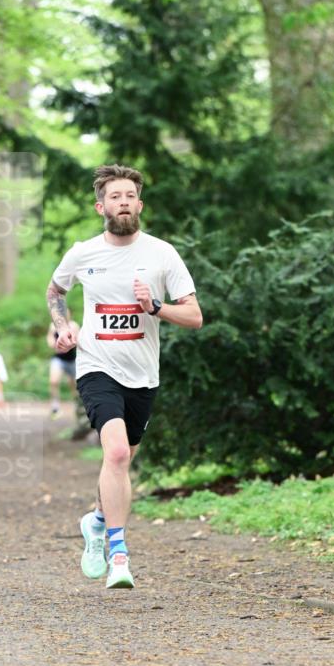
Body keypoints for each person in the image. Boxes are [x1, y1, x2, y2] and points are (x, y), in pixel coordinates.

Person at [46, 164, 202, 591]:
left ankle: (96, 522)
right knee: (114, 454)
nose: (123, 202)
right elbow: (55, 291)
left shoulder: (162, 254)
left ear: (140, 204)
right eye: (115, 196)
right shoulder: (83, 253)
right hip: (97, 365)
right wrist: (64, 326)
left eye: (130, 195)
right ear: (102, 206)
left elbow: (194, 315)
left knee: (123, 459)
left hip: (142, 374)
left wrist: (155, 307)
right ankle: (118, 554)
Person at [46, 311, 80, 418]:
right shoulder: (53, 326)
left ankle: (78, 407)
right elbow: (49, 338)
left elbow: (78, 340)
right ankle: (55, 407)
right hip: (58, 359)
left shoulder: (74, 325)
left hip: (72, 359)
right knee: (53, 381)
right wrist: (54, 344)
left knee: (74, 385)